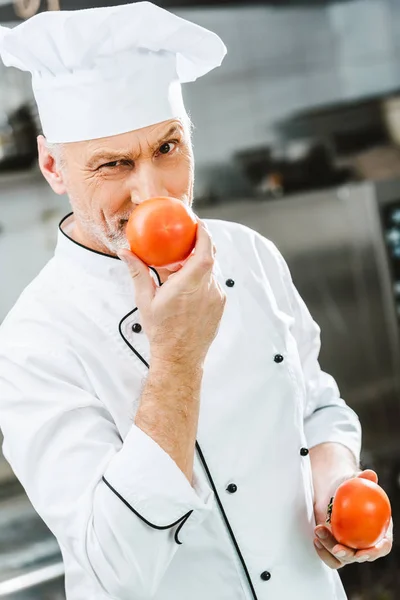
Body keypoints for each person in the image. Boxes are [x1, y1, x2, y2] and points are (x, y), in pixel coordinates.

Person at [0, 3, 392, 600]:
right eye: (115, 164)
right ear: (53, 165)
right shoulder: (33, 343)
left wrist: (333, 483)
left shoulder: (251, 255)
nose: (153, 192)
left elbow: (317, 405)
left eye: (167, 148)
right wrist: (177, 357)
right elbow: (117, 570)